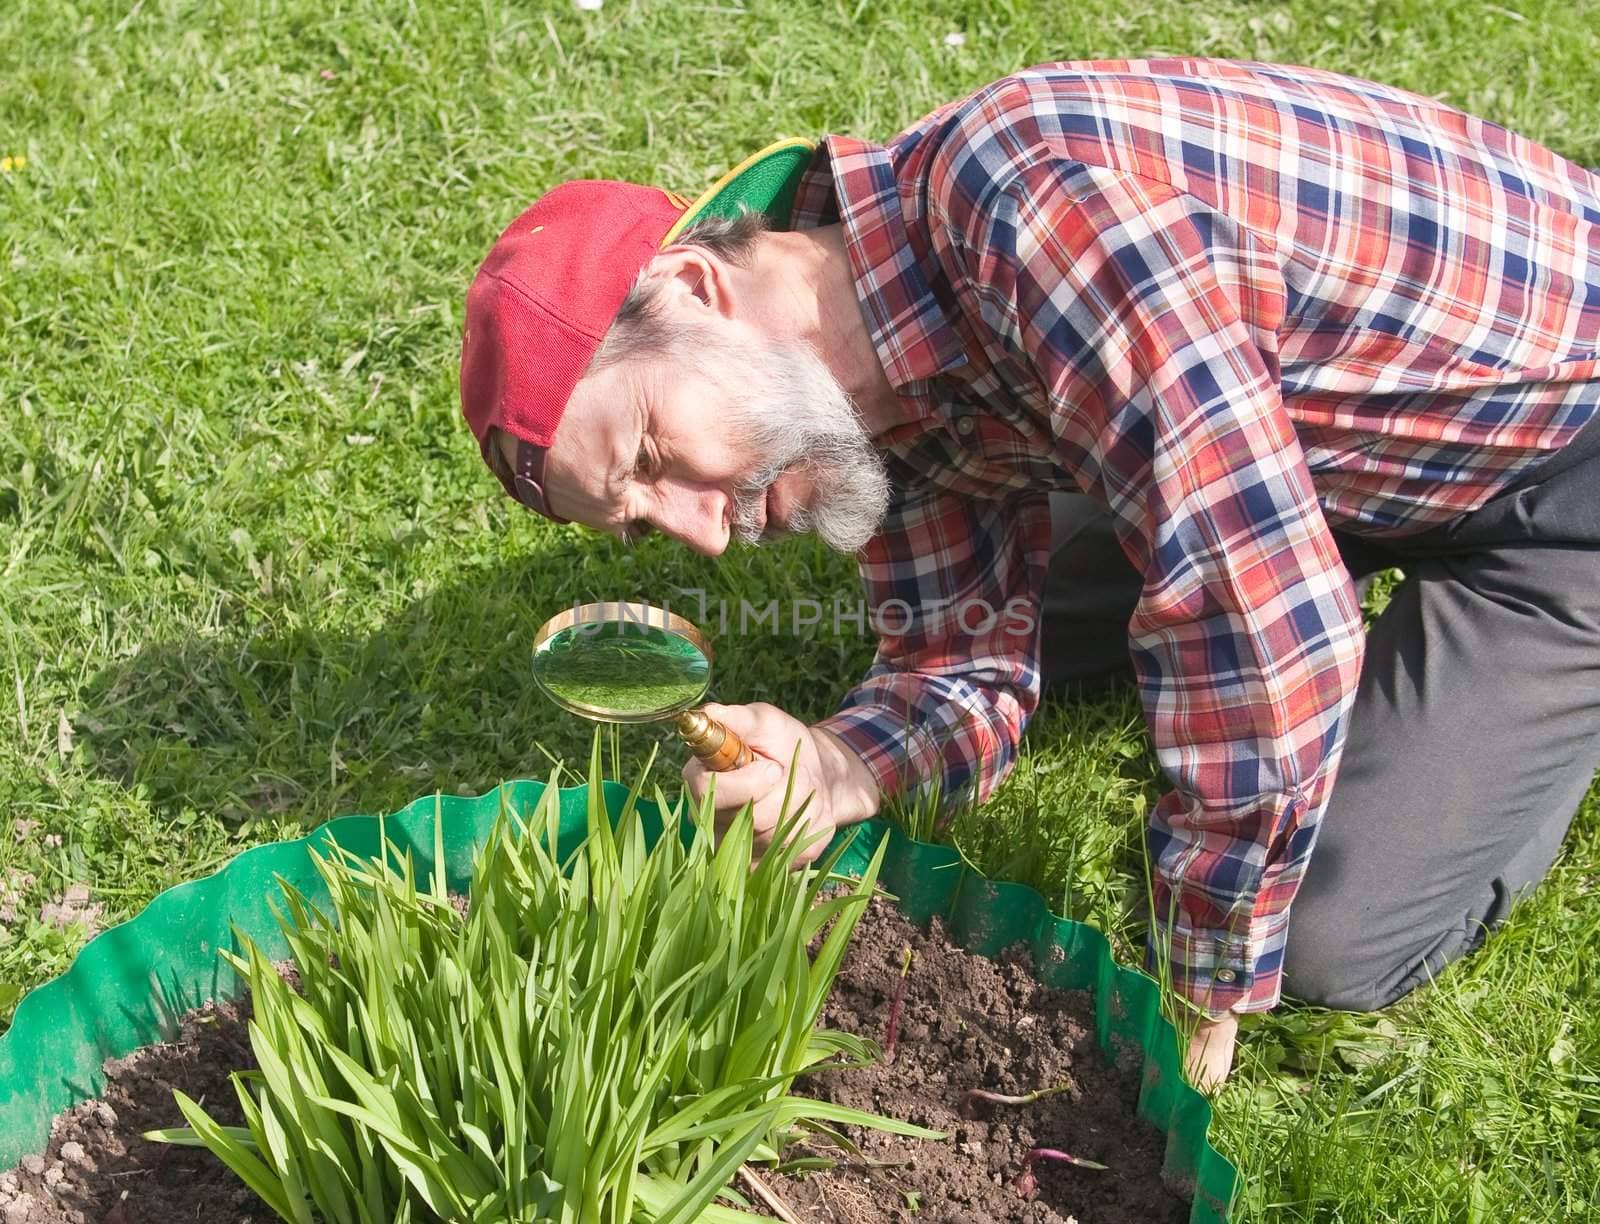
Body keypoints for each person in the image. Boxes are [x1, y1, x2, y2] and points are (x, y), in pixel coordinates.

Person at [458, 59, 1600, 1088]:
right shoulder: (851, 386)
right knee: (1114, 579)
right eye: (645, 524)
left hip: (1561, 461)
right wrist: (843, 762)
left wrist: (1201, 970)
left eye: (653, 456)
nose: (704, 534)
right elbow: (960, 661)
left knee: (1327, 934)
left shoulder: (1031, 214)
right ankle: (1313, 520)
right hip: (1327, 440)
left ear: (701, 292)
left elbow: (1250, 604)